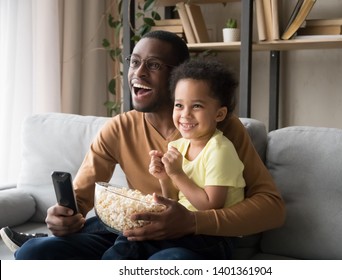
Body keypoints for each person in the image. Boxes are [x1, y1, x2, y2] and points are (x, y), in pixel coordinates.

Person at [8, 30, 285, 260]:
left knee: (166, 263)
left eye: (153, 65)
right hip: (133, 231)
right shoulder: (119, 128)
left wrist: (193, 222)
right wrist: (64, 216)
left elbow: (271, 208)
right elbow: (80, 200)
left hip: (197, 239)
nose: (138, 73)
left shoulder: (220, 129)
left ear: (179, 76)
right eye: (134, 62)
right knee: (34, 253)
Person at [101, 59, 246, 259]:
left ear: (219, 114)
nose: (185, 114)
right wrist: (164, 177)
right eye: (179, 105)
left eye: (196, 106)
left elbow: (211, 205)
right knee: (129, 239)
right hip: (183, 227)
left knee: (135, 246)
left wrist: (176, 174)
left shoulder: (220, 150)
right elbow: (172, 200)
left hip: (214, 237)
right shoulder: (178, 146)